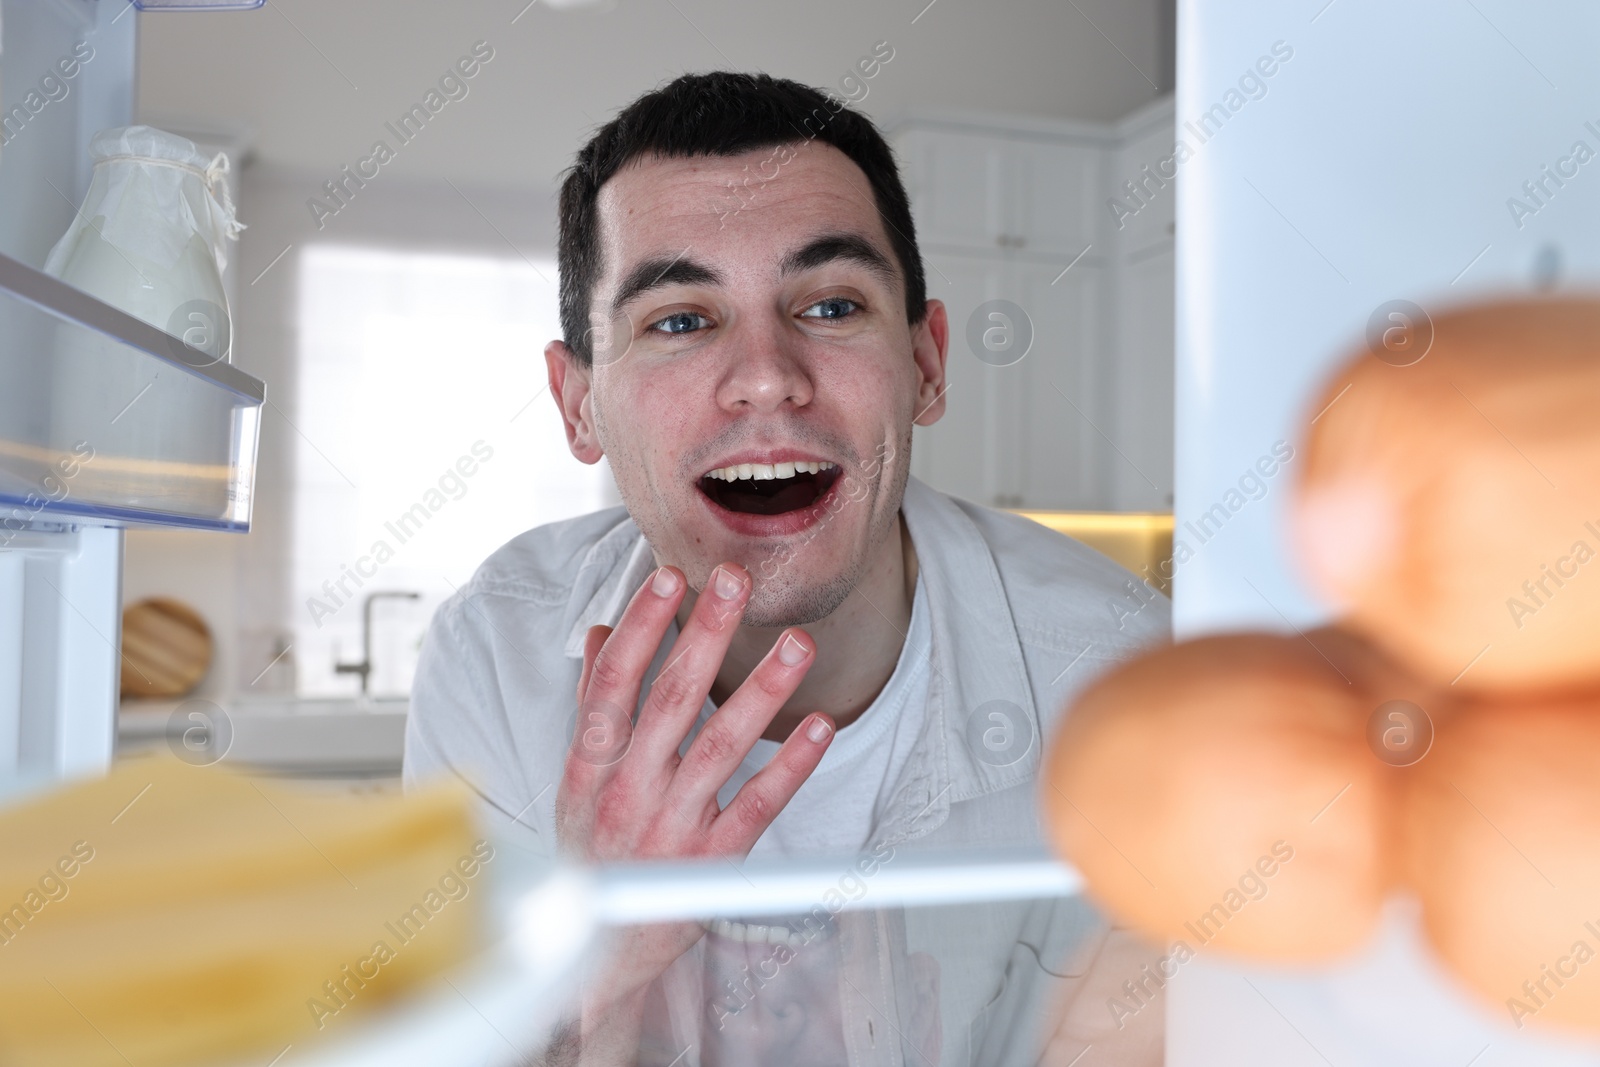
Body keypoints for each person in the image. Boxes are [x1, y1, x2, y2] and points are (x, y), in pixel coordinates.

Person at [403, 71, 1171, 1065]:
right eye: (679, 318)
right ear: (579, 403)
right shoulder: (497, 658)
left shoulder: (1124, 678)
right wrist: (603, 949)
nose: (766, 374)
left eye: (831, 303)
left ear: (926, 364)